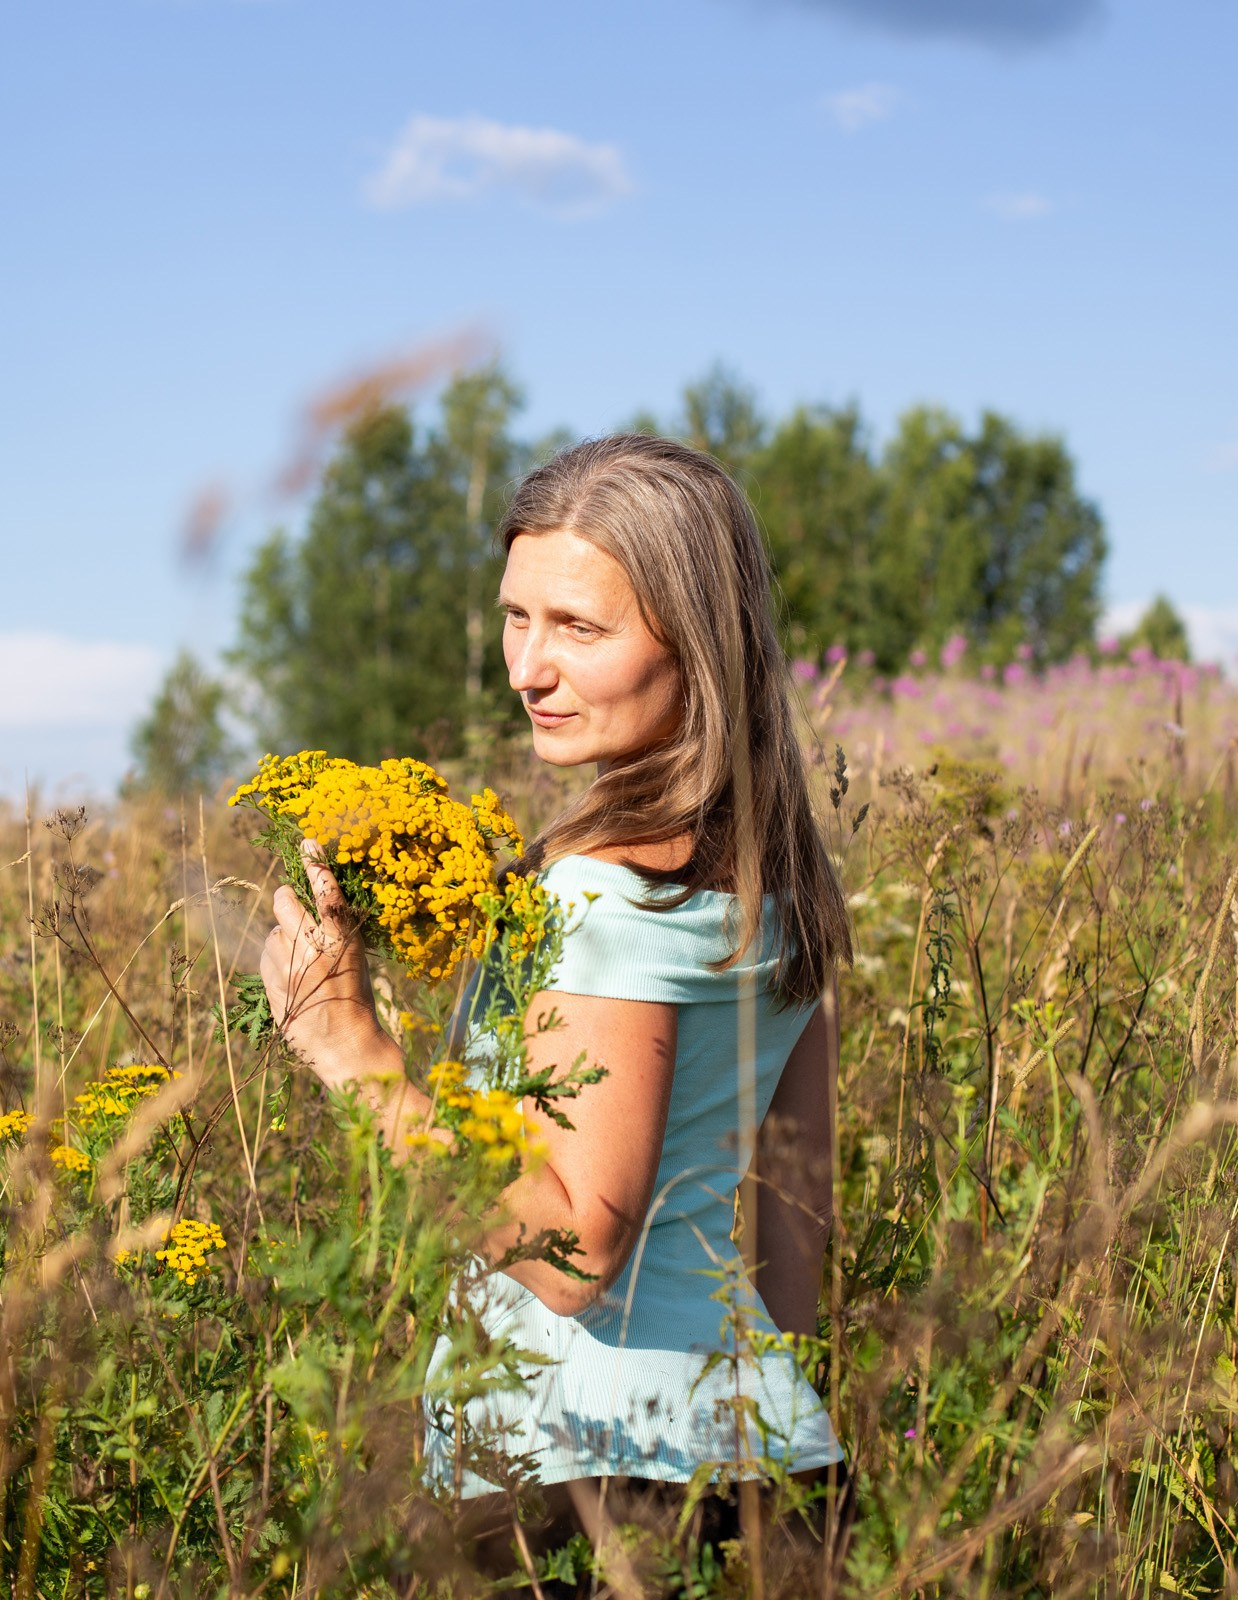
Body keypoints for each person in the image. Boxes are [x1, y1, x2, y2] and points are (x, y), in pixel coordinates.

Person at [257, 434, 851, 1591]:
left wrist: (353, 1048)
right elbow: (797, 1222)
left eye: (579, 628)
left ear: (697, 644)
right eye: (516, 617)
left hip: (576, 1470)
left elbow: (576, 1250)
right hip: (768, 1455)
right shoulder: (774, 882)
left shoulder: (600, 893)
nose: (529, 667)